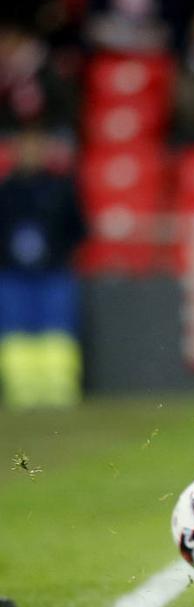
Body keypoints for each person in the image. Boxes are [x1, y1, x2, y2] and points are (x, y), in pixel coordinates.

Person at [0, 124, 86, 410]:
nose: (30, 153)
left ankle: (59, 391)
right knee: (15, 334)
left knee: (57, 332)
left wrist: (57, 253)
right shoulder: (6, 190)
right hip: (12, 274)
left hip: (54, 273)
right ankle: (22, 393)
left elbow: (78, 229)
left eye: (36, 146)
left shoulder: (61, 188)